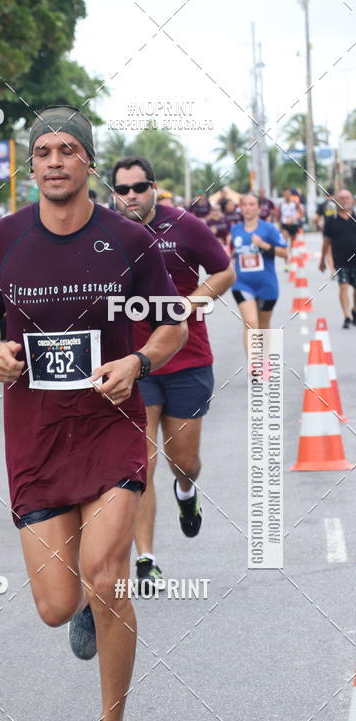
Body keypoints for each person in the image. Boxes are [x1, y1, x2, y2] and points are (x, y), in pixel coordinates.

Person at [0, 105, 187, 721]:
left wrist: (139, 365)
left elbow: (172, 324)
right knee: (57, 604)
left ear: (88, 162)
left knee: (105, 575)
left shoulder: (129, 240)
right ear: (30, 167)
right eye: (43, 152)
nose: (55, 161)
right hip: (36, 435)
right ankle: (86, 610)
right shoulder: (2, 238)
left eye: (68, 149)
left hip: (109, 426)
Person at [112, 156, 235, 584]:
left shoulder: (184, 225)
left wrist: (189, 303)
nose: (132, 196)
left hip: (187, 359)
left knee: (183, 462)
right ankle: (146, 560)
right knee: (140, 465)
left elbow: (224, 271)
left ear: (154, 188)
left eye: (139, 187)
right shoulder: (106, 234)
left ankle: (187, 492)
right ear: (114, 193)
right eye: (123, 189)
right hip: (135, 362)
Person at [230, 193, 288, 355]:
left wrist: (263, 244)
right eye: (245, 204)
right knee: (250, 322)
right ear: (241, 208)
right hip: (242, 283)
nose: (248, 208)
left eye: (252, 204)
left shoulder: (269, 229)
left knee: (263, 326)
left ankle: (263, 362)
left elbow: (285, 252)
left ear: (258, 208)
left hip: (266, 284)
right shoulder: (235, 230)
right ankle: (253, 368)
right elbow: (232, 253)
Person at [320, 188, 356, 329]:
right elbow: (326, 243)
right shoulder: (331, 221)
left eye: (347, 197)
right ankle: (347, 316)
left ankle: (354, 310)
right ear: (336, 201)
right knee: (343, 287)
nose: (345, 200)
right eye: (341, 198)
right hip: (340, 260)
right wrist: (322, 260)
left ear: (352, 200)